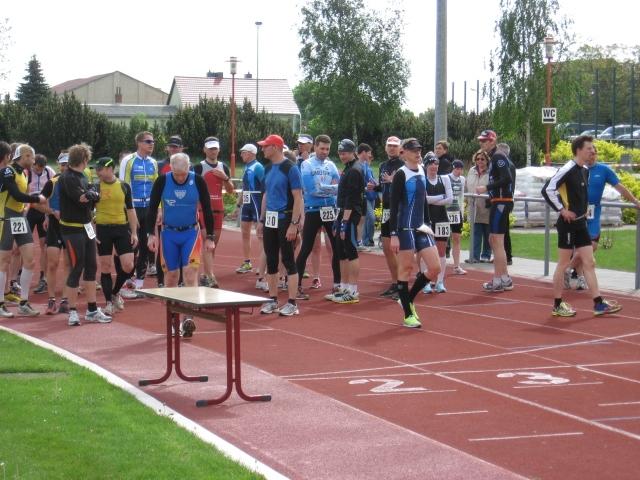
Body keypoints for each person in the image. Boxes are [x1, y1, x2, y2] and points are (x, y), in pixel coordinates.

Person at [542, 135, 621, 317]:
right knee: (563, 264)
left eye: (593, 148)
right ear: (579, 150)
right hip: (568, 224)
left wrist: (583, 211)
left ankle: (598, 304)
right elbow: (547, 189)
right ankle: (557, 305)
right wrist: (562, 210)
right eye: (589, 148)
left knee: (589, 262)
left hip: (581, 224)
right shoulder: (567, 169)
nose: (593, 151)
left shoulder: (585, 170)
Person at [147, 153, 216, 336]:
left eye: (183, 174)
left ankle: (188, 318)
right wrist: (150, 234)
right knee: (171, 277)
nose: (180, 178)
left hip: (190, 234)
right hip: (168, 234)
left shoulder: (197, 181)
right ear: (171, 169)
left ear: (189, 168)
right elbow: (152, 208)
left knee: (190, 274)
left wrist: (210, 236)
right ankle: (172, 319)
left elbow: (207, 208)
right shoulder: (162, 181)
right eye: (176, 174)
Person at [566, 144, 640, 290]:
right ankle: (580, 277)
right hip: (578, 212)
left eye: (594, 153)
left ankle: (566, 270)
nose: (592, 156)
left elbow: (620, 187)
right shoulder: (576, 169)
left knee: (591, 246)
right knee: (580, 248)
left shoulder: (604, 170)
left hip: (593, 213)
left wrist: (635, 201)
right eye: (589, 153)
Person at [389, 138, 440, 328]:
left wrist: (429, 223)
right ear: (404, 153)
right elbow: (394, 206)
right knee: (406, 269)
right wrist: (393, 234)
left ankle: (407, 299)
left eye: (419, 149)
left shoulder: (422, 170)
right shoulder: (401, 175)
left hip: (421, 227)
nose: (418, 153)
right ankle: (408, 315)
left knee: (435, 268)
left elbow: (423, 199)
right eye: (413, 150)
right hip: (405, 228)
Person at [58, 144, 112, 326]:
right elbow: (82, 198)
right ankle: (72, 311)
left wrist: (92, 194)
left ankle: (92, 309)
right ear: (84, 159)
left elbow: (93, 195)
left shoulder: (83, 176)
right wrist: (91, 194)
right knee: (76, 267)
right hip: (72, 229)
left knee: (91, 267)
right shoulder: (68, 177)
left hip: (86, 227)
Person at [256, 134, 303, 316]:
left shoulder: (290, 168)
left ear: (275, 147)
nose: (262, 149)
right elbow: (266, 195)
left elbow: (298, 197)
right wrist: (261, 219)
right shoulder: (267, 168)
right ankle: (273, 300)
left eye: (265, 146)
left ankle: (292, 303)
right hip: (270, 219)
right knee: (271, 259)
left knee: (289, 260)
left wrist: (294, 224)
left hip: (285, 218)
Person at [0, 144, 47, 317]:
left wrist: (29, 204)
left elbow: (22, 199)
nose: (33, 160)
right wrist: (37, 199)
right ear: (24, 156)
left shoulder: (25, 173)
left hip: (19, 218)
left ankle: (24, 303)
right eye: (31, 157)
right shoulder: (8, 171)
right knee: (4, 261)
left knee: (29, 260)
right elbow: (16, 195)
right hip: (5, 217)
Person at [294, 135, 340, 300]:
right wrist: (330, 189)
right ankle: (297, 285)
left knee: (336, 247)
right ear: (315, 147)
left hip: (330, 210)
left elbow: (338, 187)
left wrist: (325, 188)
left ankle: (337, 284)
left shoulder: (331, 165)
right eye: (322, 148)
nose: (324, 152)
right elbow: (311, 189)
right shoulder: (306, 165)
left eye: (327, 149)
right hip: (313, 210)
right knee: (306, 248)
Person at [94, 157, 138, 315]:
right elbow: (88, 212)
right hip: (103, 229)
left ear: (110, 168)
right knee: (105, 266)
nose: (98, 172)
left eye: (100, 169)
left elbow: (131, 210)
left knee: (128, 265)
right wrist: (92, 233)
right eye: (96, 169)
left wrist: (134, 232)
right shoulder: (95, 187)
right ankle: (108, 303)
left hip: (121, 228)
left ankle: (115, 292)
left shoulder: (124, 186)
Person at [475, 129, 514, 292]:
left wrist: (487, 187)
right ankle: (504, 278)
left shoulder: (498, 156)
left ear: (492, 141)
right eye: (481, 141)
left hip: (501, 202)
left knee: (497, 242)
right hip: (498, 202)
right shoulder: (495, 157)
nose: (482, 143)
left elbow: (507, 178)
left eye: (485, 141)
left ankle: (498, 280)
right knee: (494, 240)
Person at [119, 131, 158, 292]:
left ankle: (140, 283)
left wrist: (158, 209)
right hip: (132, 208)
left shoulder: (153, 162)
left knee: (145, 245)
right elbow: (123, 186)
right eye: (148, 141)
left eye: (153, 141)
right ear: (139, 143)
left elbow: (156, 187)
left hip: (148, 209)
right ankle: (127, 278)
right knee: (131, 245)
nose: (151, 144)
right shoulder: (128, 161)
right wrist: (128, 209)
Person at [193, 136, 235, 288]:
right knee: (207, 241)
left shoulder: (223, 167)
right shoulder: (198, 168)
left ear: (219, 149)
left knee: (212, 245)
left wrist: (226, 178)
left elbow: (230, 191)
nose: (213, 151)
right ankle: (210, 276)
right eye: (210, 148)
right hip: (204, 210)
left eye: (215, 148)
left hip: (218, 209)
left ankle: (206, 275)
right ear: (204, 150)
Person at [327, 139, 365, 304]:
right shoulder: (348, 168)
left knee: (350, 251)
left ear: (352, 152)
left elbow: (352, 198)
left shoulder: (355, 170)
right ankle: (343, 287)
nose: (342, 156)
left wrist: (344, 222)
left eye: (345, 153)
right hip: (342, 213)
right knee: (341, 252)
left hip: (349, 215)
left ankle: (353, 290)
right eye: (340, 153)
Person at [372, 136, 404, 299]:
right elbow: (383, 186)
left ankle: (402, 285)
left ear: (400, 148)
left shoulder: (404, 166)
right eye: (389, 145)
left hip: (398, 210)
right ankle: (395, 282)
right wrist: (375, 187)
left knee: (398, 249)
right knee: (386, 248)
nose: (392, 148)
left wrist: (393, 181)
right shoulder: (383, 165)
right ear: (385, 148)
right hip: (386, 209)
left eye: (394, 146)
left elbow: (406, 187)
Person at [39, 152, 71, 315]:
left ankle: (65, 300)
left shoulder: (77, 181)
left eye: (68, 164)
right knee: (52, 264)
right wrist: (51, 212)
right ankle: (51, 300)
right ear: (59, 165)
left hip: (71, 228)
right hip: (55, 228)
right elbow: (38, 203)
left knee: (68, 264)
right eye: (63, 165)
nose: (65, 167)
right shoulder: (52, 182)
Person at [154, 134, 185, 286]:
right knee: (163, 247)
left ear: (182, 148)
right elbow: (156, 190)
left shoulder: (188, 166)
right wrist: (158, 209)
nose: (173, 149)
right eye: (171, 146)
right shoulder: (159, 165)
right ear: (167, 148)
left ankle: (181, 281)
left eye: (176, 147)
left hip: (184, 212)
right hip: (165, 212)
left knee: (184, 247)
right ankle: (161, 281)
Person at [423, 152, 453, 293]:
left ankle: (440, 281)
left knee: (441, 251)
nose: (434, 166)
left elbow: (450, 199)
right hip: (426, 219)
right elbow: (424, 199)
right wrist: (441, 196)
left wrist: (432, 199)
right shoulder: (422, 180)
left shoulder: (445, 179)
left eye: (436, 164)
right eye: (431, 164)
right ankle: (426, 282)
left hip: (442, 219)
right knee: (426, 250)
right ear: (426, 166)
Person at [27, 153, 56, 294]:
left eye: (41, 168)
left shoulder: (50, 172)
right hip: (29, 209)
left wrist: (48, 214)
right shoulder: (27, 172)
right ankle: (18, 276)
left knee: (44, 244)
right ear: (33, 164)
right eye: (37, 168)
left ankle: (43, 278)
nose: (39, 171)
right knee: (22, 245)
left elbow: (53, 190)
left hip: (43, 209)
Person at [236, 143, 265, 275]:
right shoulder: (246, 167)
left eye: (244, 152)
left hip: (257, 202)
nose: (241, 154)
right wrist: (238, 205)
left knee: (260, 234)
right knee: (245, 232)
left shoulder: (258, 167)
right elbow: (244, 187)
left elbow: (265, 185)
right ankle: (247, 262)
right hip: (247, 203)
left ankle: (263, 265)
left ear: (251, 153)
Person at [465, 150, 492, 263]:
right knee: (475, 232)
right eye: (477, 159)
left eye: (482, 159)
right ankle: (474, 256)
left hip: (486, 206)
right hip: (473, 206)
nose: (480, 161)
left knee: (487, 232)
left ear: (487, 160)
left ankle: (486, 255)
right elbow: (466, 185)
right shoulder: (471, 171)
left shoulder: (491, 172)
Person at [496, 142, 515, 266]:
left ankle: (507, 256)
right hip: (504, 200)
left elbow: (505, 182)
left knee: (503, 231)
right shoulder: (508, 164)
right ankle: (504, 255)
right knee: (501, 230)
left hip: (504, 200)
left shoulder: (506, 165)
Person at [448, 159, 466, 274]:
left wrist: (462, 212)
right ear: (453, 168)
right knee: (441, 239)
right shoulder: (446, 178)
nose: (458, 171)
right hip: (446, 212)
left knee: (457, 238)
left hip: (456, 212)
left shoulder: (462, 179)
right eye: (456, 169)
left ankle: (456, 266)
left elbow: (462, 196)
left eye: (460, 169)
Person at [357, 143, 377, 248]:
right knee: (371, 217)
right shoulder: (357, 165)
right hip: (364, 196)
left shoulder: (366, 166)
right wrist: (365, 188)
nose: (370, 155)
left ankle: (367, 239)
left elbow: (371, 179)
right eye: (369, 153)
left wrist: (376, 185)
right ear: (364, 152)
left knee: (367, 218)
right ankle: (366, 239)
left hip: (371, 195)